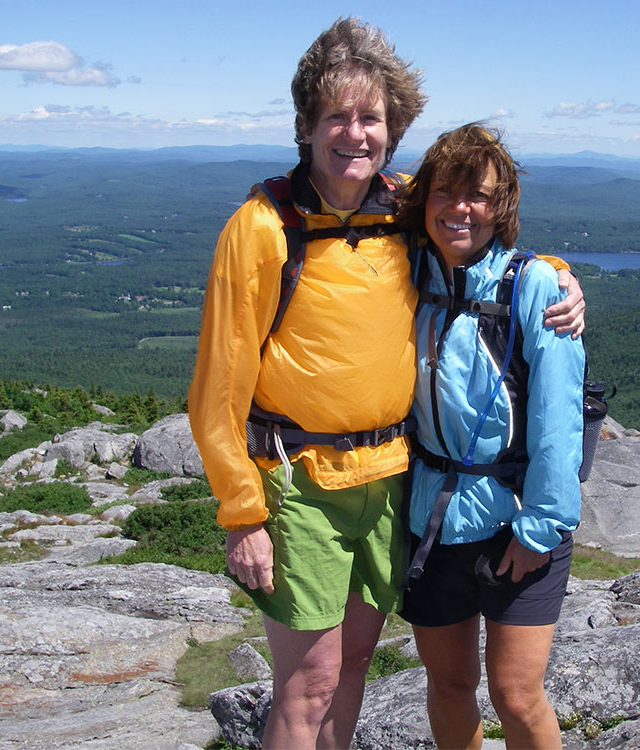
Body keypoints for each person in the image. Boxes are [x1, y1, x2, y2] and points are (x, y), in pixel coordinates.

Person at [188, 19, 585, 749]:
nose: (354, 134)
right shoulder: (263, 228)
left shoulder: (402, 208)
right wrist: (241, 512)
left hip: (392, 482)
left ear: (393, 130)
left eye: (371, 118)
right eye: (336, 116)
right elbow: (216, 387)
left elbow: (475, 237)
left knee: (353, 670)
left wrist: (557, 275)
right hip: (300, 480)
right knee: (307, 685)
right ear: (305, 125)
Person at [397, 123, 584, 750]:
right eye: (446, 190)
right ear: (424, 199)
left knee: (515, 693)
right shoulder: (407, 268)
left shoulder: (535, 286)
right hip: (433, 518)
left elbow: (558, 418)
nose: (461, 207)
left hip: (516, 521)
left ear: (501, 208)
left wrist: (540, 530)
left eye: (478, 194)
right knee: (448, 686)